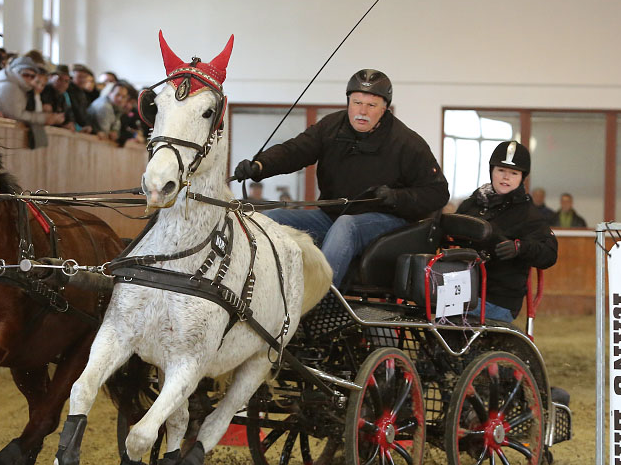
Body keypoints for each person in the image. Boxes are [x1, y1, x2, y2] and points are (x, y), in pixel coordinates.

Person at [233, 68, 449, 287]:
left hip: (386, 222)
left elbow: (438, 193)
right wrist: (260, 165)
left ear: (384, 109)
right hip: (331, 216)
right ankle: (250, 289)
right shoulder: (331, 127)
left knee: (347, 226)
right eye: (356, 103)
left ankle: (318, 301)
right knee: (271, 218)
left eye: (371, 105)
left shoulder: (407, 143)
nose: (361, 111)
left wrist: (396, 197)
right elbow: (295, 150)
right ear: (348, 102)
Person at [456, 141, 557, 322]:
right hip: (462, 288)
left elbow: (549, 254)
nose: (506, 177)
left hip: (498, 300)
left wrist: (520, 247)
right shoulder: (472, 203)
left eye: (513, 173)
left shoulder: (528, 213)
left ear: (522, 178)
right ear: (491, 171)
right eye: (501, 170)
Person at [0, 55, 62, 125]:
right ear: (16, 72)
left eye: (32, 76)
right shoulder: (10, 87)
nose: (29, 79)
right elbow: (16, 115)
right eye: (26, 75)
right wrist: (44, 118)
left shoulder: (15, 85)